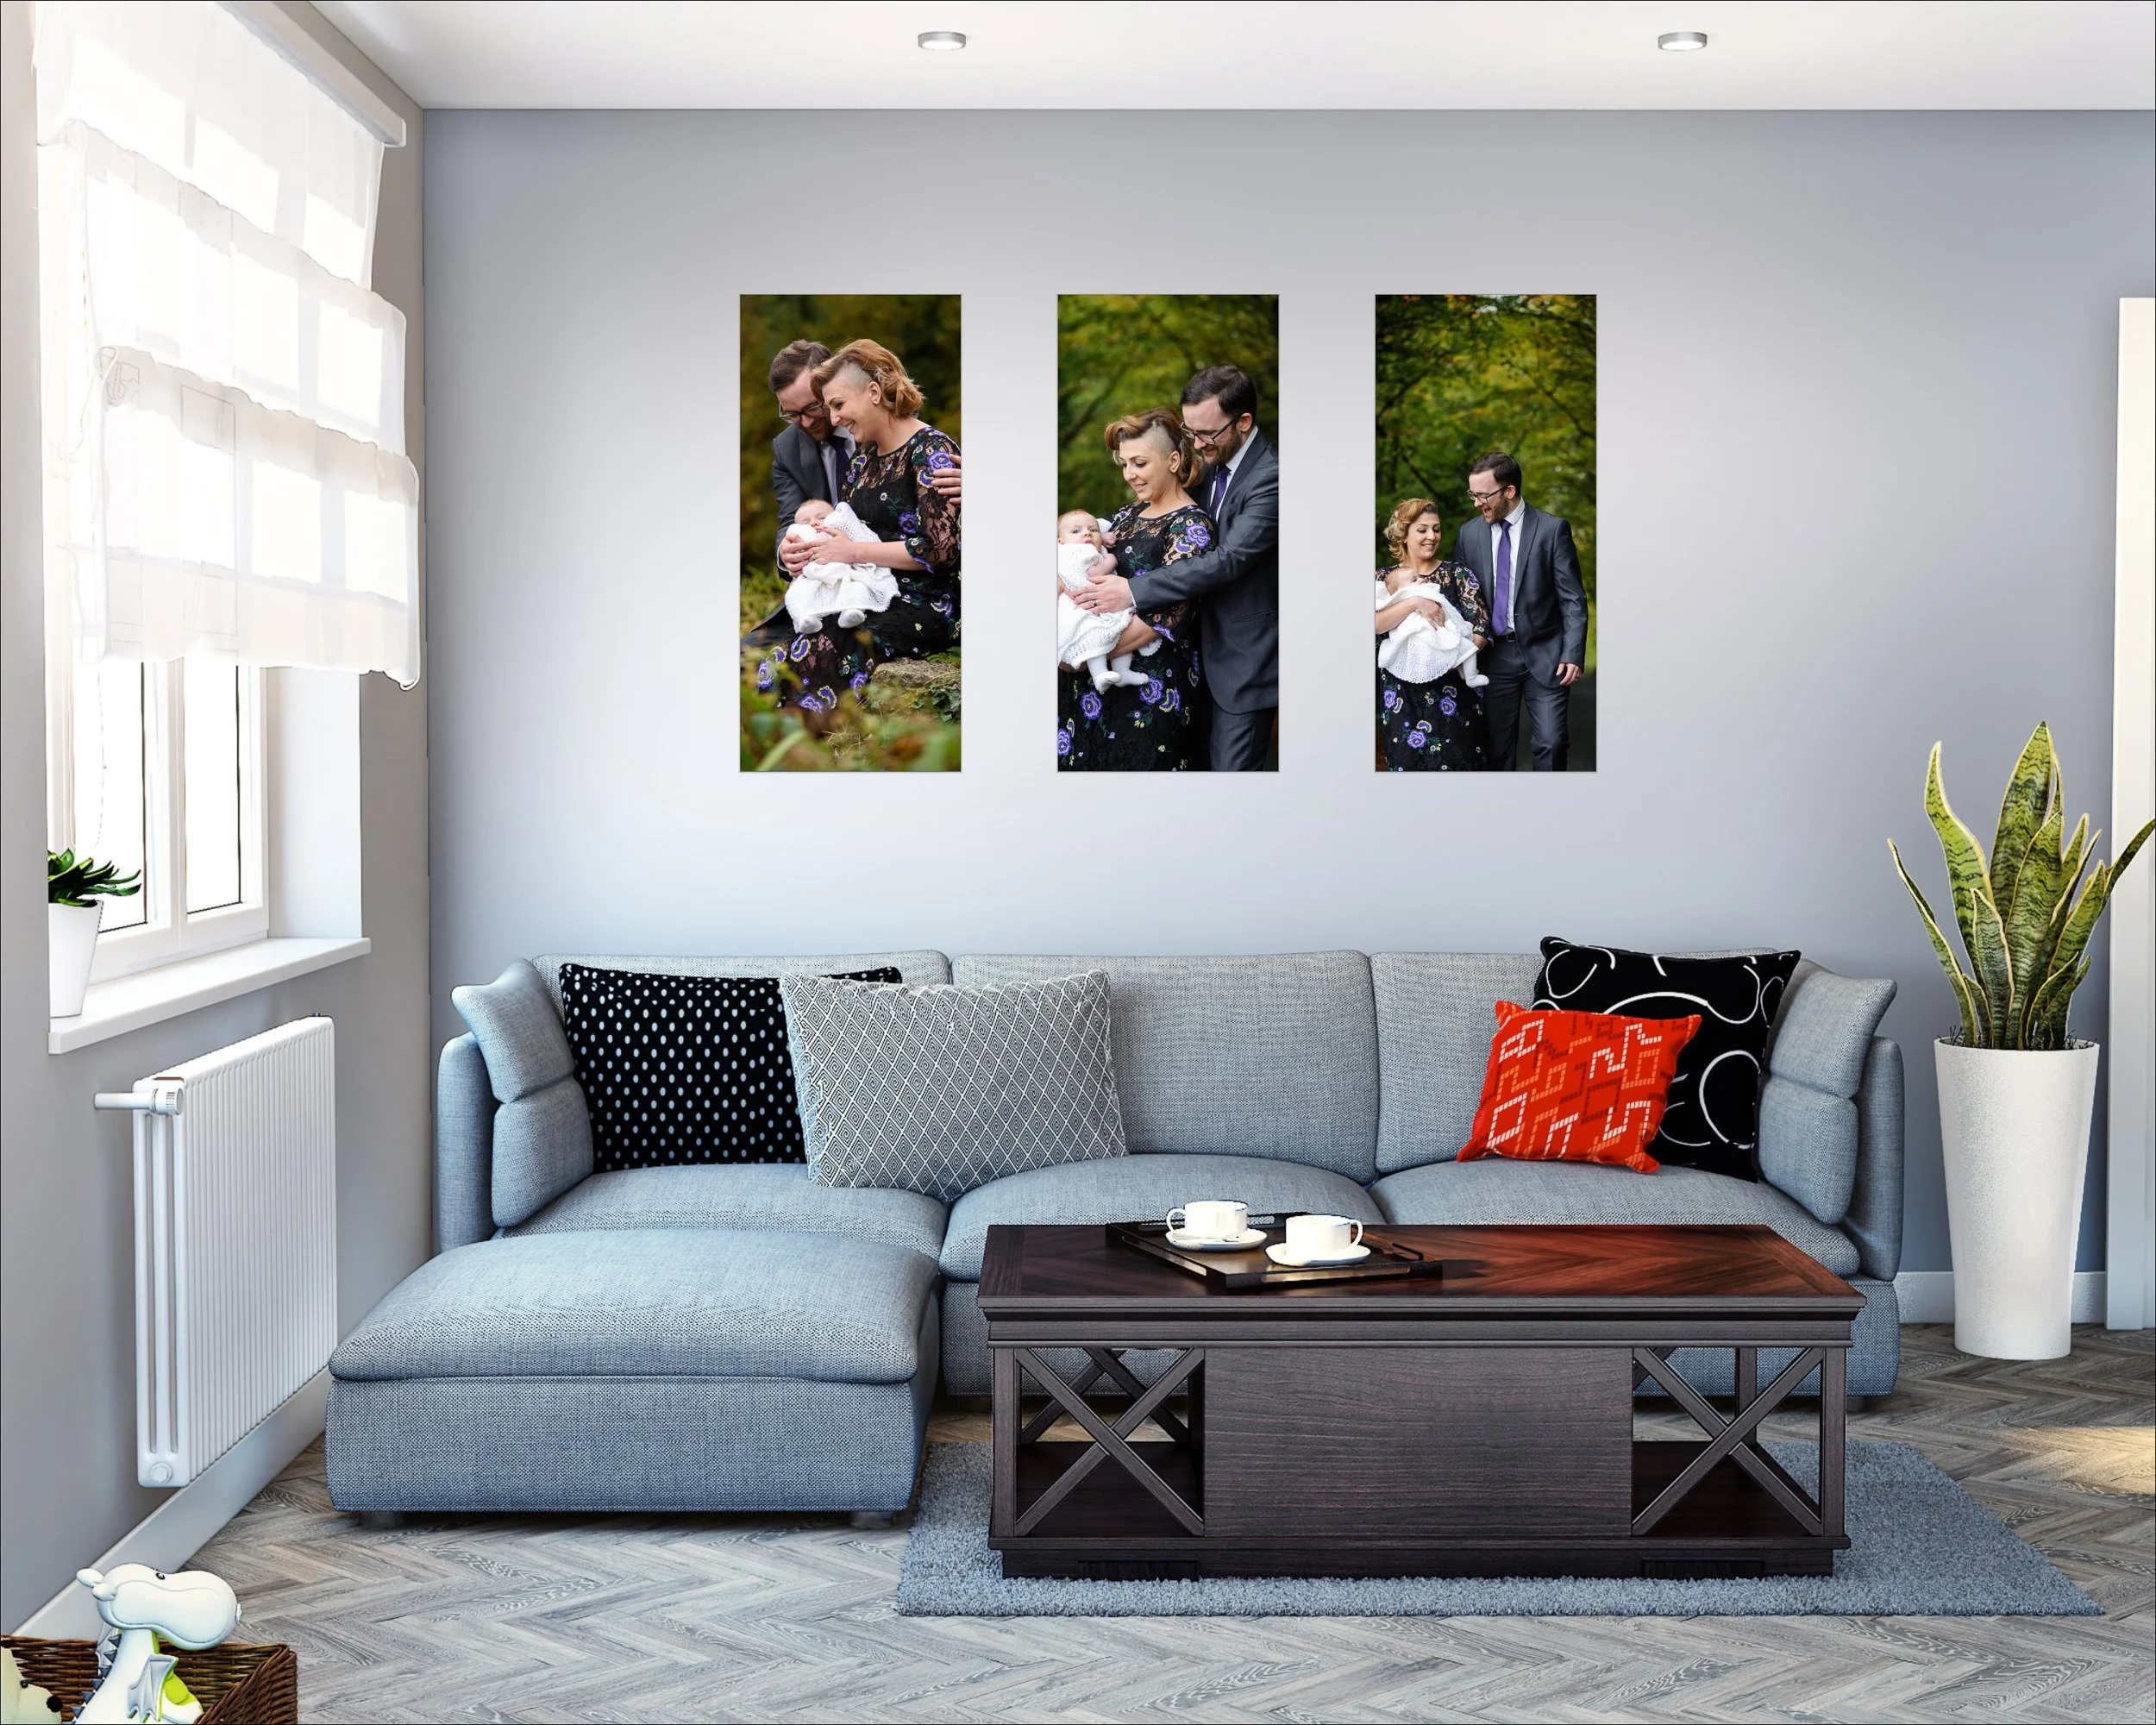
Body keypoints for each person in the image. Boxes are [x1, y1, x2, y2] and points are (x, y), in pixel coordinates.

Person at [1072, 365, 1277, 770]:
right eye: (1189, 431)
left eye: (1205, 434)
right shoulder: (1213, 463)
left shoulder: (1271, 478)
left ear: (1244, 422)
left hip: (1241, 662)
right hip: (1192, 657)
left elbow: (1229, 559)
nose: (1196, 444)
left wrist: (1132, 591)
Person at [755, 340, 959, 712]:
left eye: (837, 406)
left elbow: (941, 552)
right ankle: (780, 758)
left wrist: (853, 552)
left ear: (875, 393)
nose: (834, 420)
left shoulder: (931, 450)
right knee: (775, 661)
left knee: (825, 647)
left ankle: (815, 756)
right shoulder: (862, 460)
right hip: (868, 589)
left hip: (926, 601)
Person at [1058, 412, 1211, 770]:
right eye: (1125, 463)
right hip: (1089, 687)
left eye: (1140, 463)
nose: (1129, 474)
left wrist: (1078, 655)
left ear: (1173, 460)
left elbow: (1169, 617)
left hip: (1147, 690)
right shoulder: (1126, 514)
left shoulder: (1191, 526)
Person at [1450, 452, 1587, 771]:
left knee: (1551, 743)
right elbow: (1461, 599)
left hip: (1547, 656)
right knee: (1496, 750)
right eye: (1472, 494)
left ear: (1508, 491)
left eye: (1482, 495)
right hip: (1491, 658)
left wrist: (1573, 652)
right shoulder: (1468, 535)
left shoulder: (1553, 530)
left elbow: (1572, 600)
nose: (1475, 503)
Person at [1375, 499, 1489, 771]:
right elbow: (1375, 624)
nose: (1432, 536)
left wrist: (1447, 657)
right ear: (1403, 534)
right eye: (1422, 529)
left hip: (1453, 693)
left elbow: (1481, 626)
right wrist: (1415, 603)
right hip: (1402, 696)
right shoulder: (1383, 578)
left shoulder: (1457, 574)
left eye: (1436, 529)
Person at [1056, 509, 1156, 693]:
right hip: (1081, 607)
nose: (1086, 533)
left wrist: (1101, 536)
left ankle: (1122, 671)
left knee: (1118, 630)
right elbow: (1093, 574)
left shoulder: (1086, 542)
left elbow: (1100, 524)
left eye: (1091, 530)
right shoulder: (1073, 552)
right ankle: (1099, 674)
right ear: (1060, 542)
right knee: (1095, 635)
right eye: (1076, 531)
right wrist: (1111, 560)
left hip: (1102, 604)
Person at [782, 499, 897, 634]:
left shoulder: (842, 531)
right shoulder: (803, 539)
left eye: (822, 517)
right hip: (815, 578)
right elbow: (794, 551)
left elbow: (863, 538)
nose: (813, 523)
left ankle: (852, 612)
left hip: (846, 572)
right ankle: (805, 619)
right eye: (805, 523)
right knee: (795, 595)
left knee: (858, 587)